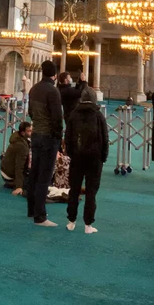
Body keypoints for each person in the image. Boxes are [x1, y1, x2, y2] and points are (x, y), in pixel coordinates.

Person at [65, 87, 109, 234]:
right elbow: (105, 138)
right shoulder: (98, 115)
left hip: (77, 158)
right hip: (95, 159)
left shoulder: (73, 115)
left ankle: (71, 221)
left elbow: (68, 137)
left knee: (74, 190)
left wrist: (71, 154)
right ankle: (88, 224)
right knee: (91, 192)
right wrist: (104, 156)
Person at [27, 60, 63, 227]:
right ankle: (40, 216)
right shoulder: (53, 91)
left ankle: (31, 210)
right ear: (55, 74)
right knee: (44, 176)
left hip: (36, 135)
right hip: (48, 137)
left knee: (34, 173)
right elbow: (57, 118)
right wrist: (58, 137)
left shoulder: (34, 89)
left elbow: (30, 112)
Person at [0, 121, 32, 195]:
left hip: (5, 171)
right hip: (9, 175)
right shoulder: (22, 146)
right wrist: (19, 187)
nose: (32, 132)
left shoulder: (18, 137)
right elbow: (19, 167)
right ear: (23, 133)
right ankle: (13, 183)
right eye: (29, 131)